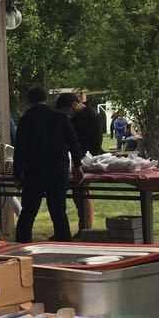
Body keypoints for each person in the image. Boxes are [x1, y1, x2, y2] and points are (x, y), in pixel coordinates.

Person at [14, 87, 83, 243]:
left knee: (28, 213)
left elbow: (20, 149)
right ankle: (65, 244)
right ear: (45, 98)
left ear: (29, 101)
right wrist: (77, 165)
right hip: (58, 170)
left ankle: (22, 245)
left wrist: (17, 174)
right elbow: (73, 143)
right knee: (59, 212)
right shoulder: (61, 117)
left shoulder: (25, 119)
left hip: (34, 171)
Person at [57, 93, 100, 235]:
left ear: (74, 105)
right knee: (77, 195)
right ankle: (82, 228)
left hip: (87, 159)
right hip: (74, 158)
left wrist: (79, 158)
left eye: (66, 111)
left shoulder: (92, 117)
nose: (66, 115)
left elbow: (94, 144)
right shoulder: (74, 118)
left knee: (82, 193)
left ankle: (85, 228)